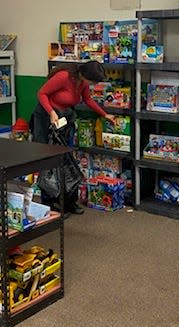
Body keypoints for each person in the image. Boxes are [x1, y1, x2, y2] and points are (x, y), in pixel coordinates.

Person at [30, 60, 115, 215]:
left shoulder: (82, 82)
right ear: (86, 75)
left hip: (64, 119)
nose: (94, 84)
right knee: (47, 161)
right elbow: (42, 93)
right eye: (94, 81)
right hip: (46, 118)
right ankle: (49, 201)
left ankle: (69, 201)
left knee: (68, 160)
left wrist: (104, 114)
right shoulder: (63, 76)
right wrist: (51, 112)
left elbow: (88, 100)